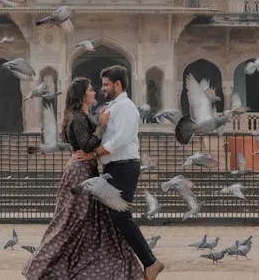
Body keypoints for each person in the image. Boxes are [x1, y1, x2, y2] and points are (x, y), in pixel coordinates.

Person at [22, 77, 144, 279]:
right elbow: (87, 145)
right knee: (72, 220)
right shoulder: (78, 116)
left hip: (87, 171)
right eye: (90, 90)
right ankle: (42, 265)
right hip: (80, 172)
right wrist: (102, 126)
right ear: (82, 95)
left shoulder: (82, 115)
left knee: (91, 222)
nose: (95, 92)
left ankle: (94, 270)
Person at [80, 66, 164, 280]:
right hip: (113, 167)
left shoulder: (126, 107)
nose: (103, 88)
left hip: (124, 166)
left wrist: (94, 154)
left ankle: (151, 262)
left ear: (119, 84)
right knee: (111, 218)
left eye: (107, 84)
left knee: (121, 216)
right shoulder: (113, 107)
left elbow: (121, 140)